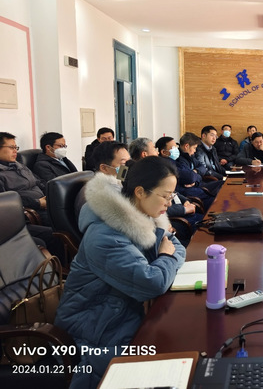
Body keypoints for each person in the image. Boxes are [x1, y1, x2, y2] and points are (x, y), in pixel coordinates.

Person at [55, 156, 186, 387]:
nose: (169, 203)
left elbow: (177, 246)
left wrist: (166, 256)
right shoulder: (104, 237)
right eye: (165, 196)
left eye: (171, 196)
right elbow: (153, 282)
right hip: (95, 330)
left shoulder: (143, 216)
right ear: (140, 192)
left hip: (123, 313)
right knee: (175, 356)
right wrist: (166, 257)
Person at [0, 132, 65, 261]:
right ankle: (60, 267)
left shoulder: (19, 165)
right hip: (30, 211)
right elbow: (7, 203)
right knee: (58, 229)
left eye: (16, 147)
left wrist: (50, 195)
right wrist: (37, 203)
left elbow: (39, 182)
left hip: (45, 204)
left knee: (71, 217)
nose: (15, 151)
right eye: (11, 147)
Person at [155, 136, 203, 247]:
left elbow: (173, 191)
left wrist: (185, 200)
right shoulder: (163, 167)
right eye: (173, 148)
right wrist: (184, 209)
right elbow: (190, 177)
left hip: (181, 204)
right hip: (174, 217)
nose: (156, 152)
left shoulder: (174, 161)